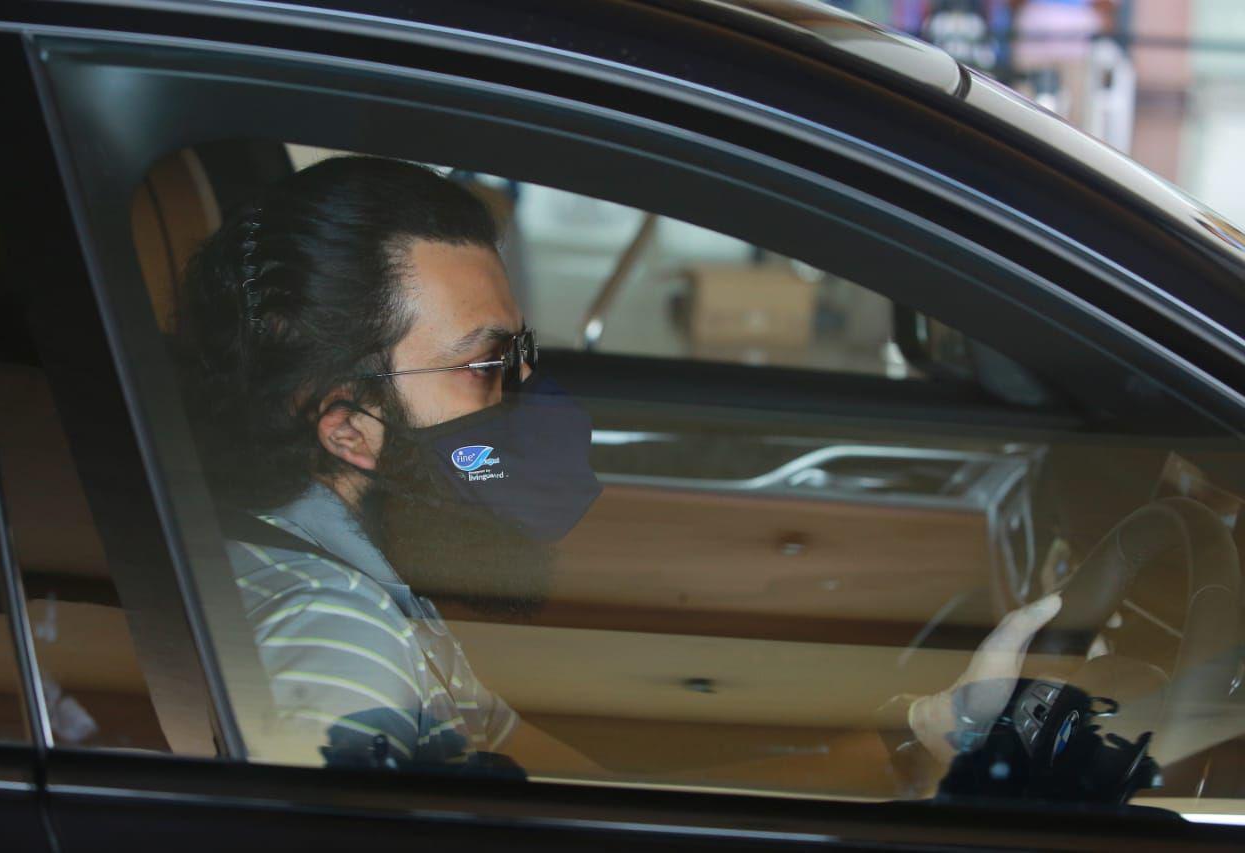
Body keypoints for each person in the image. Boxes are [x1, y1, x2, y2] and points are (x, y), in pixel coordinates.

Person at [178, 155, 1061, 783]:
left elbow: (588, 794)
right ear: (349, 427)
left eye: (521, 355)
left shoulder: (379, 596)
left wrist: (925, 737)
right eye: (484, 366)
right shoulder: (337, 644)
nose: (525, 397)